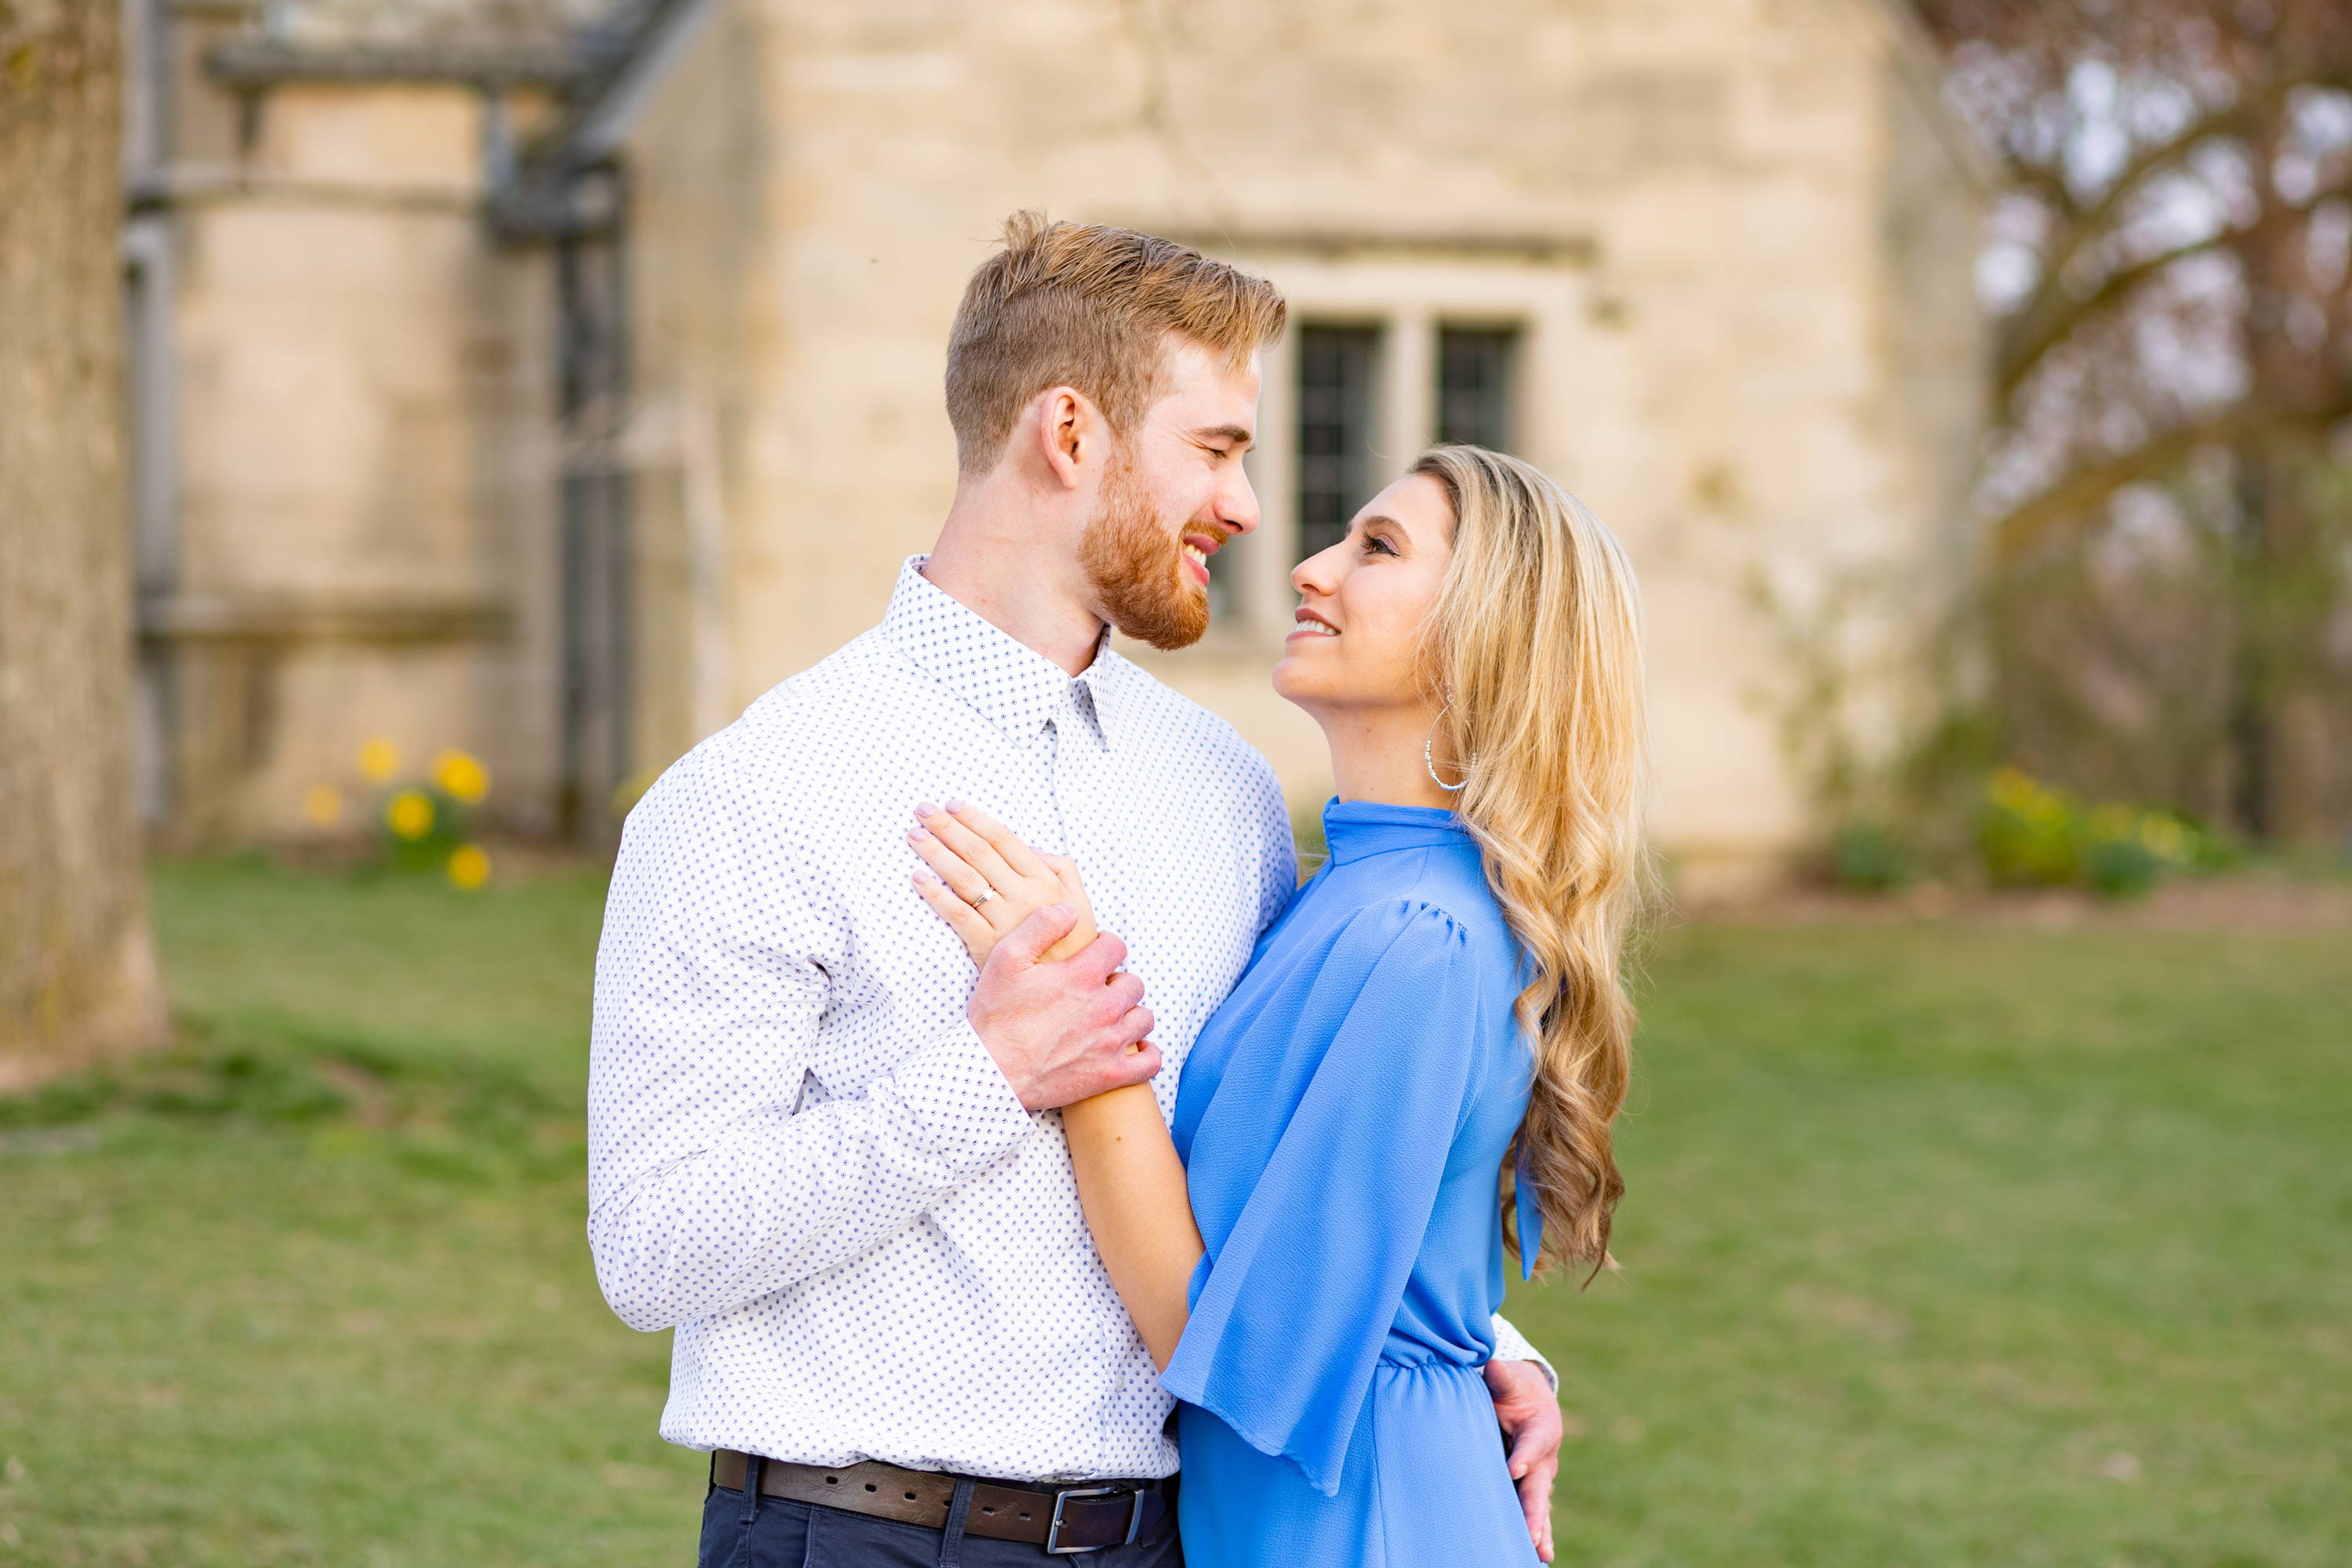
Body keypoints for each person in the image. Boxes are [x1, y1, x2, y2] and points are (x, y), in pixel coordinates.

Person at [586, 216, 1563, 1568]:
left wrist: (1470, 1346)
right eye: (1216, 450)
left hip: (1162, 1540)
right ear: (1069, 435)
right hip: (856, 1535)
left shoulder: (1226, 794)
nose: (1248, 509)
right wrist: (992, 1073)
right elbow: (651, 1251)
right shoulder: (757, 791)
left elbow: (1273, 1157)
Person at [907, 443, 1650, 1566]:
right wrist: (1492, 1344)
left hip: (1363, 1524)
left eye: (1378, 549)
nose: (1309, 568)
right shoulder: (1363, 891)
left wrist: (1072, 993)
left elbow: (1217, 1337)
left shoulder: (1419, 935)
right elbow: (1360, 1250)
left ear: (1489, 632)